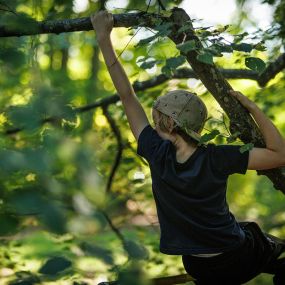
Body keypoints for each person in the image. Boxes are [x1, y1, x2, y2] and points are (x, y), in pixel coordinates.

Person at [90, 10, 285, 285]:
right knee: (260, 238)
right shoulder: (218, 157)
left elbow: (126, 95)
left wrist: (103, 37)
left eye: (156, 116)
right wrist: (252, 107)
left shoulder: (156, 153)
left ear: (168, 123)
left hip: (196, 266)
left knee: (246, 231)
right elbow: (280, 155)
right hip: (237, 257)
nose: (153, 120)